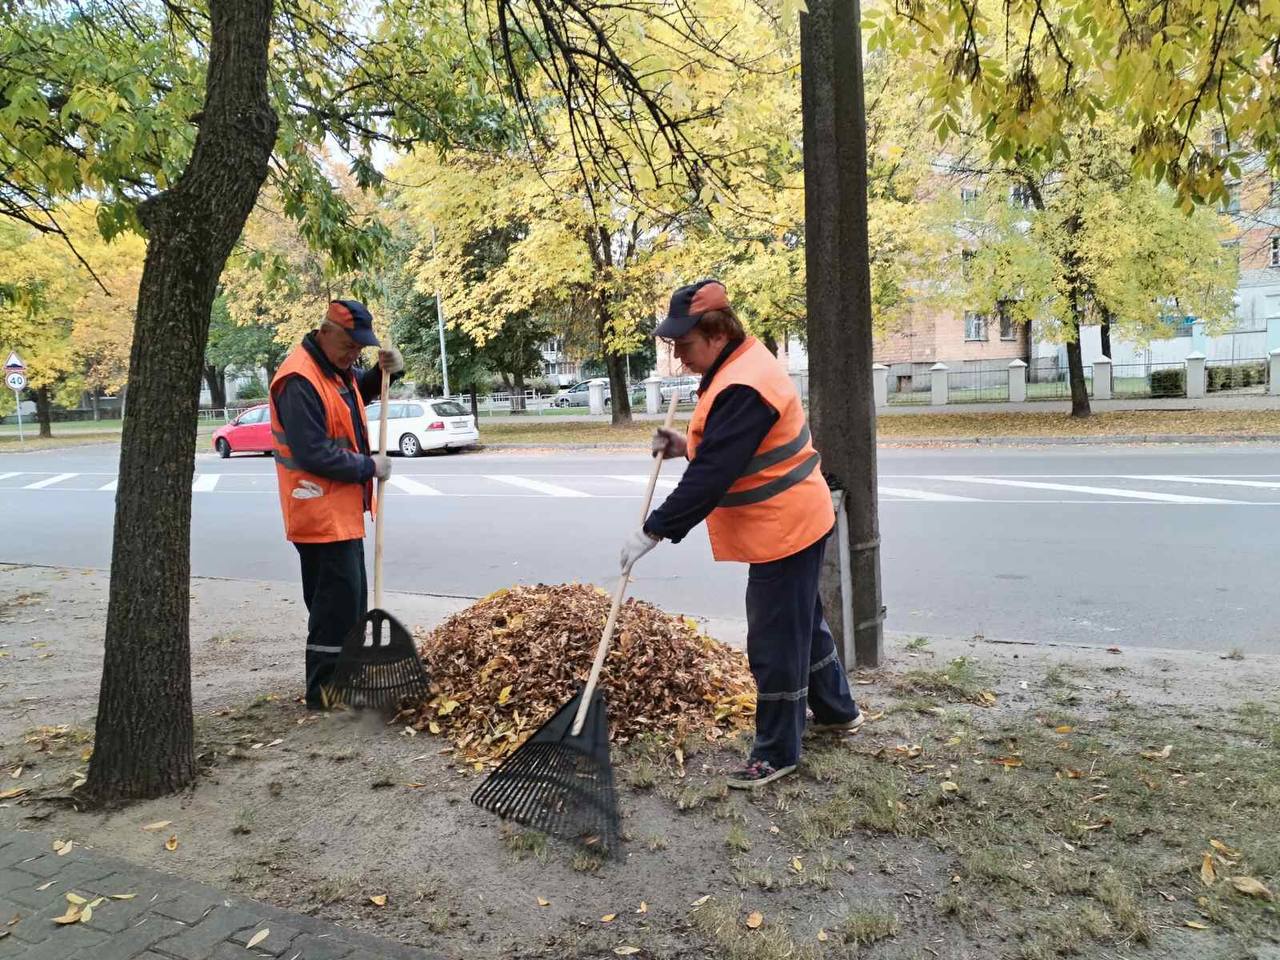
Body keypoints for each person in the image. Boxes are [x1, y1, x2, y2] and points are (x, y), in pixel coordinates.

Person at [620, 279, 861, 789]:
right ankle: (838, 711)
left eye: (684, 346)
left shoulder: (743, 384)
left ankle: (777, 753)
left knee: (775, 640)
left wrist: (655, 529)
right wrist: (686, 444)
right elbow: (733, 446)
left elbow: (714, 475)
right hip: (794, 519)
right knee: (802, 623)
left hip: (785, 527)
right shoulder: (740, 364)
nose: (680, 358)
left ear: (715, 332)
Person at [269, 299, 404, 710]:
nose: (353, 355)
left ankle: (345, 681)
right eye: (349, 346)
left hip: (339, 513)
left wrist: (384, 374)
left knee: (350, 604)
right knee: (334, 609)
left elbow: (352, 399)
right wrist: (369, 466)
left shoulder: (332, 372)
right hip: (317, 514)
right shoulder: (298, 380)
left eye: (359, 349)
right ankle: (326, 692)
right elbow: (313, 453)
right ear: (325, 332)